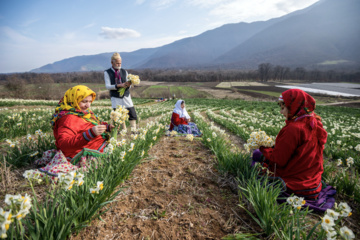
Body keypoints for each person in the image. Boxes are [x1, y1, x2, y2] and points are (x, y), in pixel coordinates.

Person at [256, 89, 328, 200]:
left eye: (283, 108)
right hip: (313, 183)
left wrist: (262, 149)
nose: (281, 112)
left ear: (293, 107)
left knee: (256, 158)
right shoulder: (314, 122)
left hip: (296, 185)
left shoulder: (293, 129)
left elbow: (279, 160)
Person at [33, 85, 113, 178]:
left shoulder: (83, 112)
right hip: (79, 154)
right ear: (73, 100)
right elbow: (64, 144)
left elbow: (92, 124)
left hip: (95, 146)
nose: (88, 105)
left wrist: (107, 127)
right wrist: (89, 134)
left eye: (90, 101)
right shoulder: (67, 119)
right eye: (84, 101)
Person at [104, 52, 138, 133]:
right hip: (115, 96)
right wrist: (119, 85)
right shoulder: (107, 72)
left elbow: (128, 84)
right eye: (117, 63)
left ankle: (134, 130)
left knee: (131, 111)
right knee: (119, 114)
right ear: (112, 62)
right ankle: (123, 129)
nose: (119, 65)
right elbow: (107, 86)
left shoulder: (124, 71)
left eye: (120, 63)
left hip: (125, 95)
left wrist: (128, 84)